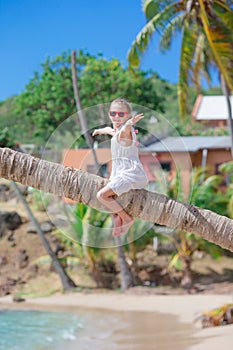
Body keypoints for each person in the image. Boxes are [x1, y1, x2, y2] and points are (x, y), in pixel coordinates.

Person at [92, 98, 148, 236]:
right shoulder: (116, 131)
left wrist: (129, 123)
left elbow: (125, 130)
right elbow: (111, 130)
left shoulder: (125, 132)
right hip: (119, 174)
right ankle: (117, 219)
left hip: (130, 175)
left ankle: (127, 218)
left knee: (102, 196)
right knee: (111, 201)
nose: (116, 117)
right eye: (113, 113)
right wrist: (100, 130)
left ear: (127, 115)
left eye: (121, 114)